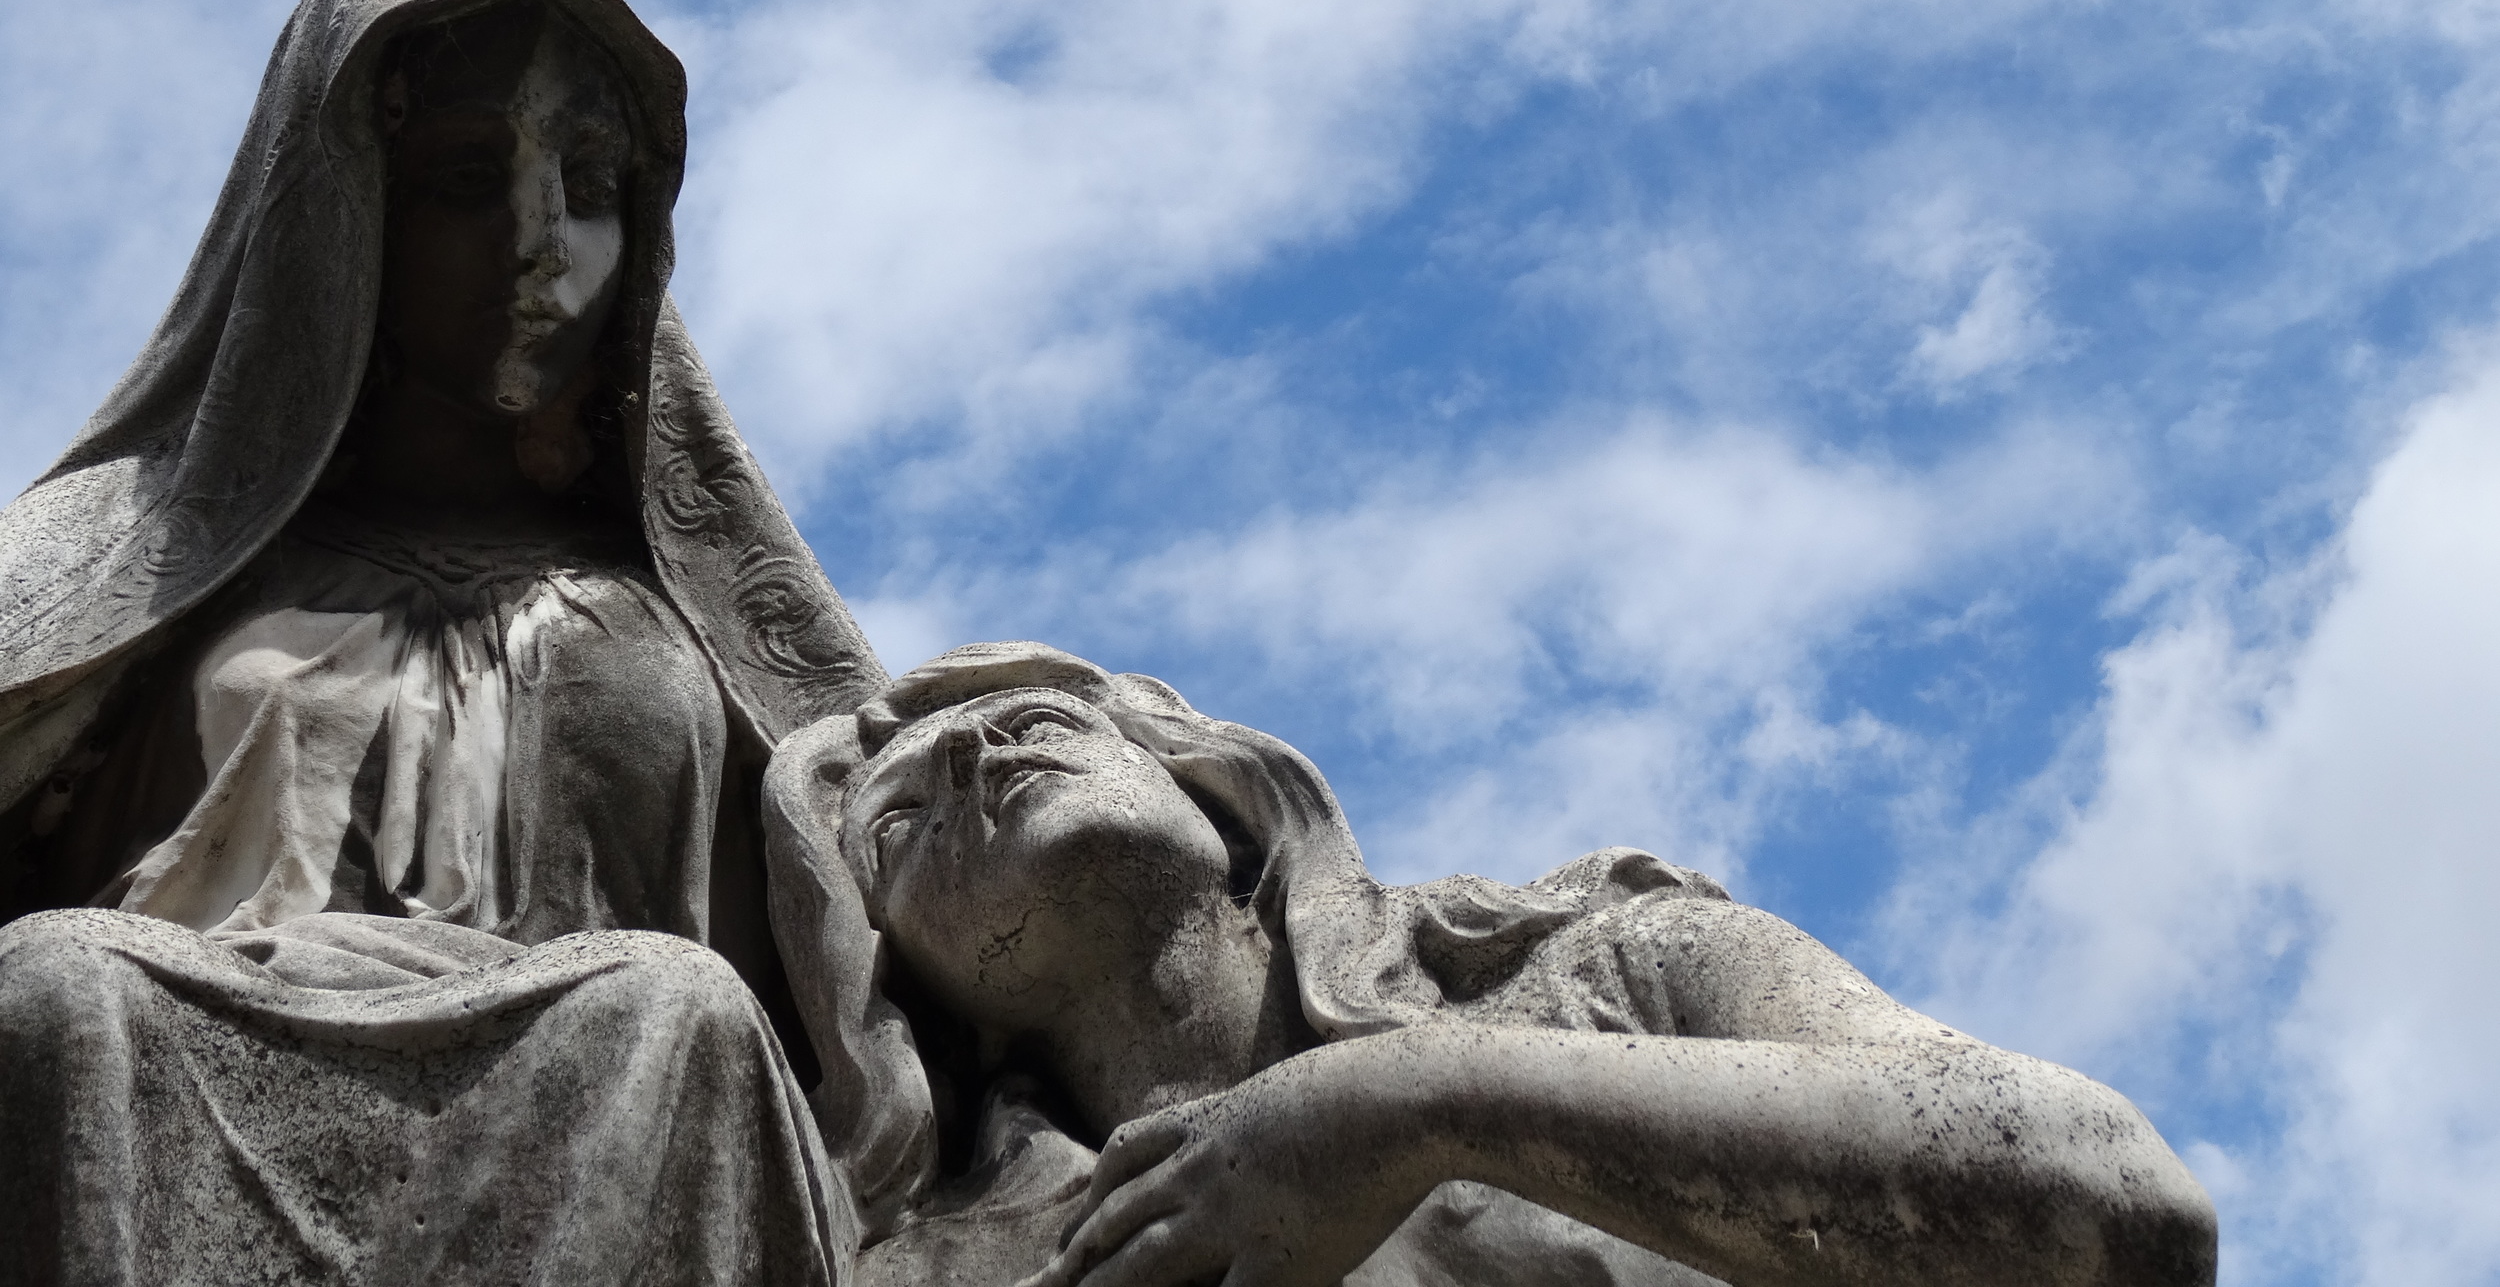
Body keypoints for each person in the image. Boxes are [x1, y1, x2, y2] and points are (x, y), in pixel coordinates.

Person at [0, 0, 920, 1283]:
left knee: (677, 1005)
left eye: (590, 183)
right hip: (191, 1016)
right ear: (343, 212)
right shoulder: (154, 575)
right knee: (61, 985)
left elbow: (924, 882)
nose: (541, 244)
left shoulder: (694, 610)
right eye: (463, 180)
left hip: (609, 1053)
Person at [763, 642, 2220, 1287]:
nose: (961, 750)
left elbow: (2108, 1199)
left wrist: (1416, 1104)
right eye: (893, 824)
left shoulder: (1612, 972)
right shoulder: (961, 1265)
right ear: (916, 996)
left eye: (1034, 720)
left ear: (1212, 783)